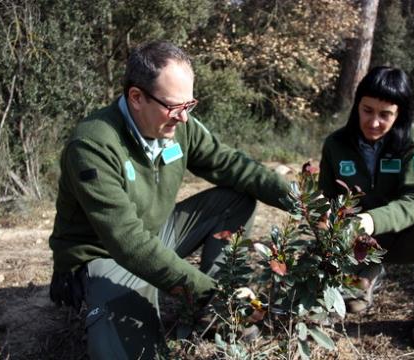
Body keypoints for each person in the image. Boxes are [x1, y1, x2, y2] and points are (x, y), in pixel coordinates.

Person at [48, 40, 290, 359]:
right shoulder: (93, 145)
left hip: (154, 235)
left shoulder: (176, 125)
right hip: (104, 257)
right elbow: (126, 242)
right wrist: (210, 292)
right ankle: (210, 300)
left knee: (234, 199)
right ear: (136, 97)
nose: (185, 118)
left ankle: (211, 312)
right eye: (175, 107)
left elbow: (230, 165)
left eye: (189, 105)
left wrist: (300, 201)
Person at [318, 66, 414, 349]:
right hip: (356, 243)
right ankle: (363, 275)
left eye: (385, 114)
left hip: (404, 237)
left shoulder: (413, 140)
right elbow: (326, 201)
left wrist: (371, 220)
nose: (374, 122)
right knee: (346, 303)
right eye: (367, 110)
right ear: (357, 106)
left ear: (398, 113)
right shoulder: (335, 145)